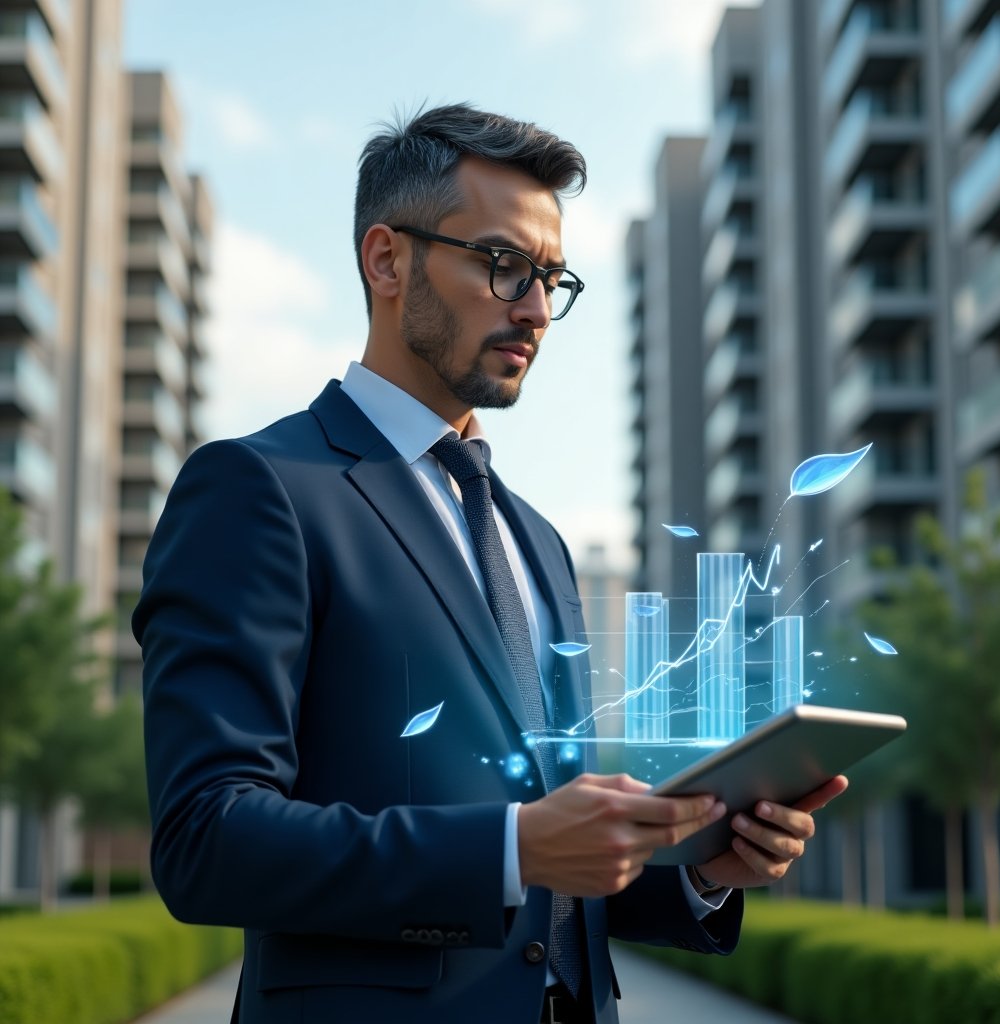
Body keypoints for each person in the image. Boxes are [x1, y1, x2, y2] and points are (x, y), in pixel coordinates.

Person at [135, 103, 847, 1024]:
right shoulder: (259, 488)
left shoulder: (535, 539)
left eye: (553, 278)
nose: (538, 310)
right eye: (505, 266)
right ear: (387, 260)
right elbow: (205, 839)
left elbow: (555, 880)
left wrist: (703, 869)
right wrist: (511, 847)